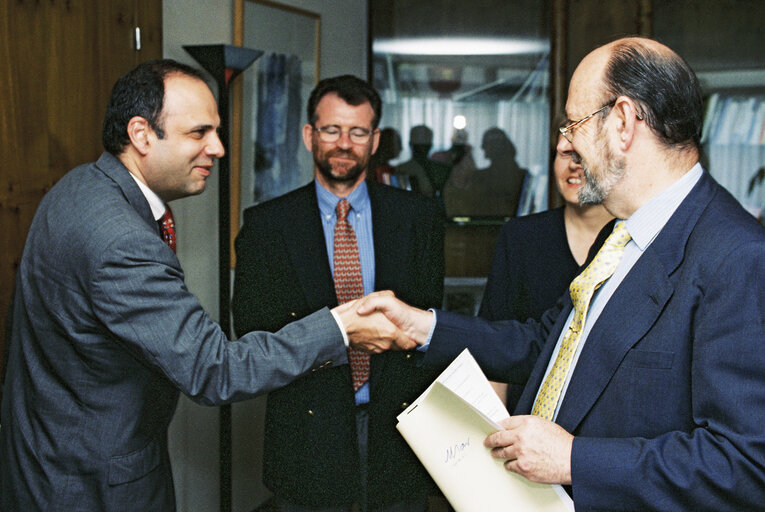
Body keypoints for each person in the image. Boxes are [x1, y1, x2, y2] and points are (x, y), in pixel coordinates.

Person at [354, 37, 765, 510]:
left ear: (624, 122)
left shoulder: (737, 257)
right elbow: (544, 346)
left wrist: (574, 459)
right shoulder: (619, 234)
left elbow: (745, 463)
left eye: (574, 123)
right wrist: (421, 326)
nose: (565, 142)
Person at [0, 60, 405, 512]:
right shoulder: (122, 239)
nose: (218, 148)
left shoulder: (80, 187)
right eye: (199, 132)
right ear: (141, 134)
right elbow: (214, 369)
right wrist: (341, 326)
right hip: (92, 484)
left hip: (48, 457)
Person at [232, 75, 444, 512]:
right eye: (331, 130)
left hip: (398, 434)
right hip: (306, 437)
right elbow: (252, 332)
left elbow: (429, 318)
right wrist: (342, 335)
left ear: (375, 139)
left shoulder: (418, 217)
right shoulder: (267, 226)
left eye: (358, 132)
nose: (344, 143)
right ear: (310, 135)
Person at [480, 133, 613, 409]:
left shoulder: (631, 239)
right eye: (564, 154)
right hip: (526, 418)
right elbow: (495, 345)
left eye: (582, 154)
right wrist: (497, 431)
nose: (573, 165)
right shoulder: (521, 237)